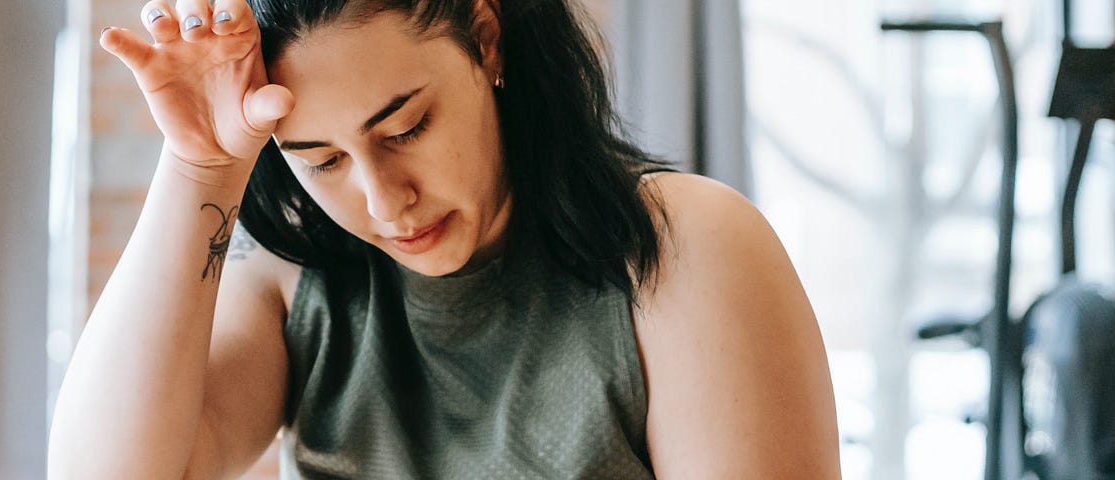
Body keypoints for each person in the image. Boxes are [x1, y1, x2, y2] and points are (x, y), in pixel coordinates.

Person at [47, 0, 841, 477]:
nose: (383, 200)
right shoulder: (293, 290)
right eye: (320, 161)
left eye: (406, 127)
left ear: (486, 39)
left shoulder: (683, 250)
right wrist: (200, 167)